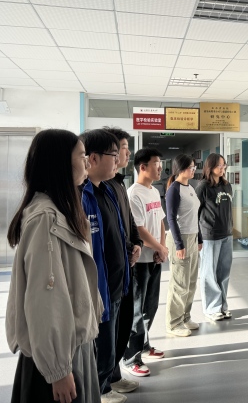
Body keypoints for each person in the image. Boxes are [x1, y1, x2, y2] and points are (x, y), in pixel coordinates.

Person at [6, 129, 102, 403]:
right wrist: (58, 369)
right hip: (59, 357)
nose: (87, 162)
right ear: (61, 163)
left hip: (72, 345)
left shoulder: (61, 210)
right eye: (82, 156)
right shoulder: (45, 219)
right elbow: (45, 299)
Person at [80, 130, 130, 403]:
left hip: (116, 284)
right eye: (114, 154)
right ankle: (98, 393)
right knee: (102, 350)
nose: (118, 160)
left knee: (112, 347)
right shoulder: (82, 196)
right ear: (93, 158)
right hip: (99, 291)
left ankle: (106, 385)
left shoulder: (107, 190)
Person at [101, 128, 146, 387]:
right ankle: (105, 384)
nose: (127, 154)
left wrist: (136, 243)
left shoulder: (119, 183)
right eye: (123, 148)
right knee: (108, 333)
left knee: (122, 326)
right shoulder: (98, 188)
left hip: (125, 268)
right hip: (110, 273)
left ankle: (114, 376)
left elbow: (127, 221)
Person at [123, 148, 169, 370]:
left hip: (154, 258)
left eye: (160, 163)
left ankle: (143, 345)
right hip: (140, 262)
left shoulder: (153, 191)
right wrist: (159, 247)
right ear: (142, 167)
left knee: (150, 306)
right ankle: (131, 358)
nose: (160, 167)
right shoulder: (134, 194)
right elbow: (139, 230)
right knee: (136, 310)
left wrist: (162, 247)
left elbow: (159, 220)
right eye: (156, 163)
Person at [164, 154, 202, 337]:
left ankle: (185, 317)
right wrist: (179, 245)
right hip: (180, 239)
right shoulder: (174, 189)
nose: (193, 170)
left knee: (191, 282)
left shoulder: (190, 187)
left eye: (194, 167)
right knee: (179, 283)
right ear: (180, 169)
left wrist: (199, 238)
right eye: (190, 167)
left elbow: (195, 215)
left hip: (192, 238)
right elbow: (171, 218)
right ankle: (173, 323)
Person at [196, 153, 234, 321]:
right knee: (209, 273)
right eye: (219, 165)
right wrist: (198, 238)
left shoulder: (227, 186)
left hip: (227, 234)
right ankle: (211, 308)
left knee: (223, 273)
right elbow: (195, 213)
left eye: (224, 165)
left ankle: (222, 306)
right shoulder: (203, 187)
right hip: (209, 236)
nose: (222, 168)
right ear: (210, 167)